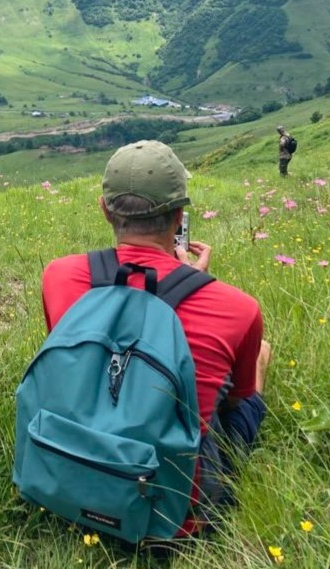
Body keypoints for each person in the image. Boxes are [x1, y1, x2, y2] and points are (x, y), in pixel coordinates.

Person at [41, 140, 270, 534]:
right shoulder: (238, 308)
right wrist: (194, 282)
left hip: (66, 478)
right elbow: (235, 402)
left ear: (104, 210)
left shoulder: (58, 275)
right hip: (175, 515)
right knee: (258, 357)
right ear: (179, 217)